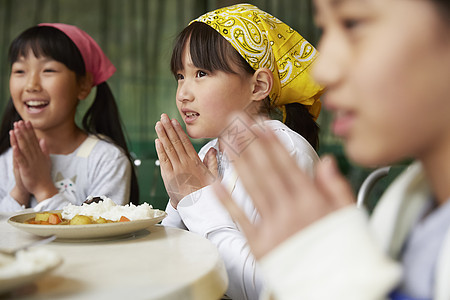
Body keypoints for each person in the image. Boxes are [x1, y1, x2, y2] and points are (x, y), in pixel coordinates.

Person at [212, 0, 450, 299]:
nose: (322, 70)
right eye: (325, 28)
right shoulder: (407, 208)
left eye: (352, 23)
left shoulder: (289, 149)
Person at [154, 4, 323, 300]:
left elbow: (272, 287)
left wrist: (196, 197)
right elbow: (168, 253)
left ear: (258, 86)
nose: (183, 93)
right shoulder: (210, 153)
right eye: (180, 76)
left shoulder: (286, 153)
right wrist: (180, 200)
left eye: (202, 73)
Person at [0, 23, 139, 212]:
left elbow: (99, 234)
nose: (31, 85)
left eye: (48, 70)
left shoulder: (106, 160)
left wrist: (43, 187)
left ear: (83, 85)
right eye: (19, 71)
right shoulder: (5, 160)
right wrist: (20, 191)